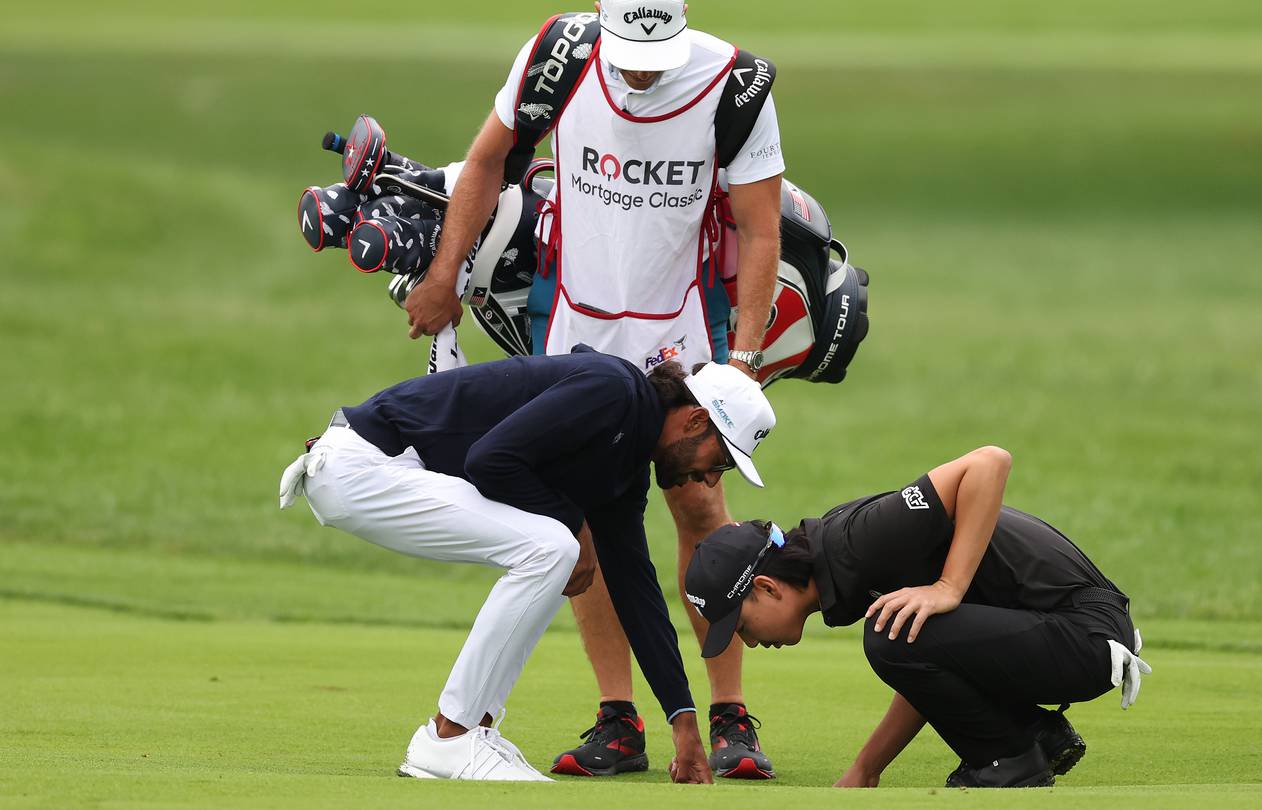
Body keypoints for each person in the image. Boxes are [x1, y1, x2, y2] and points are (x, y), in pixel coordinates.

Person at [403, 0, 787, 778]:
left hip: (682, 332)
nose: (644, 69)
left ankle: (729, 718)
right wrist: (445, 275)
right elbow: (485, 161)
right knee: (578, 520)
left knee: (700, 506)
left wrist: (742, 360)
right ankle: (619, 720)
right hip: (575, 333)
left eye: (659, 55)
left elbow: (760, 227)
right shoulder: (561, 51)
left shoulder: (734, 81)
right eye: (631, 54)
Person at [277, 348, 776, 782]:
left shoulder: (625, 462)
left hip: (382, 470)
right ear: (694, 421)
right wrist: (577, 528)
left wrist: (682, 721)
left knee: (552, 546)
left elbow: (637, 591)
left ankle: (472, 730)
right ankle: (449, 737)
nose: (710, 479)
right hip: (363, 465)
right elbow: (490, 460)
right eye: (721, 460)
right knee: (552, 547)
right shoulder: (614, 390)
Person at [683, 446, 1152, 788]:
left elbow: (989, 462)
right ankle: (1033, 736)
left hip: (1086, 636)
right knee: (897, 632)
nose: (747, 640)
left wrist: (950, 587)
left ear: (766, 587)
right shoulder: (840, 560)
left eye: (741, 624)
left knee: (887, 636)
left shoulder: (859, 540)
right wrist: (868, 769)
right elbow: (931, 664)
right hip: (1073, 635)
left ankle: (1011, 756)